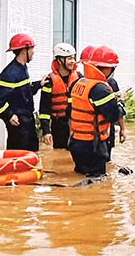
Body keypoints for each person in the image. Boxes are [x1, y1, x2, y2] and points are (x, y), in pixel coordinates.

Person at [0, 34, 50, 151]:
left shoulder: (22, 69)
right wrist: (9, 115)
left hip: (27, 120)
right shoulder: (10, 73)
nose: (33, 52)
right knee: (18, 155)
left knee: (32, 152)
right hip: (18, 123)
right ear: (24, 50)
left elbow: (24, 92)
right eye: (31, 49)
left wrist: (39, 84)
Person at [68, 46, 121, 177]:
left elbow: (69, 111)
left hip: (75, 142)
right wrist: (119, 102)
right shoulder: (101, 89)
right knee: (97, 181)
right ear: (106, 68)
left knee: (80, 176)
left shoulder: (78, 83)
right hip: (93, 145)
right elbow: (113, 116)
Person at [37, 43, 80, 150]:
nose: (73, 61)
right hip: (58, 126)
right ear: (60, 60)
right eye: (69, 58)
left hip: (77, 124)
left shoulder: (79, 78)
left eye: (73, 58)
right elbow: (44, 109)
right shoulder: (49, 81)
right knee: (60, 153)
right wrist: (46, 131)